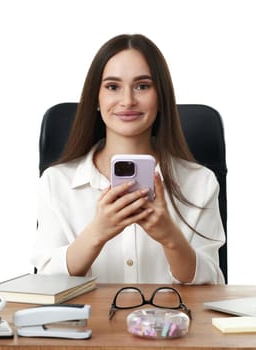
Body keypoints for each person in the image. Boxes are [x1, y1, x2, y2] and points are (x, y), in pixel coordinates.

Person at [31, 33, 225, 284]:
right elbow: (44, 283)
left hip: (170, 323)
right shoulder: (56, 182)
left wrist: (170, 238)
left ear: (161, 98)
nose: (127, 101)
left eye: (142, 86)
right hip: (89, 323)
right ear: (96, 99)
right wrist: (97, 233)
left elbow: (213, 286)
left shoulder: (200, 182)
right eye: (113, 87)